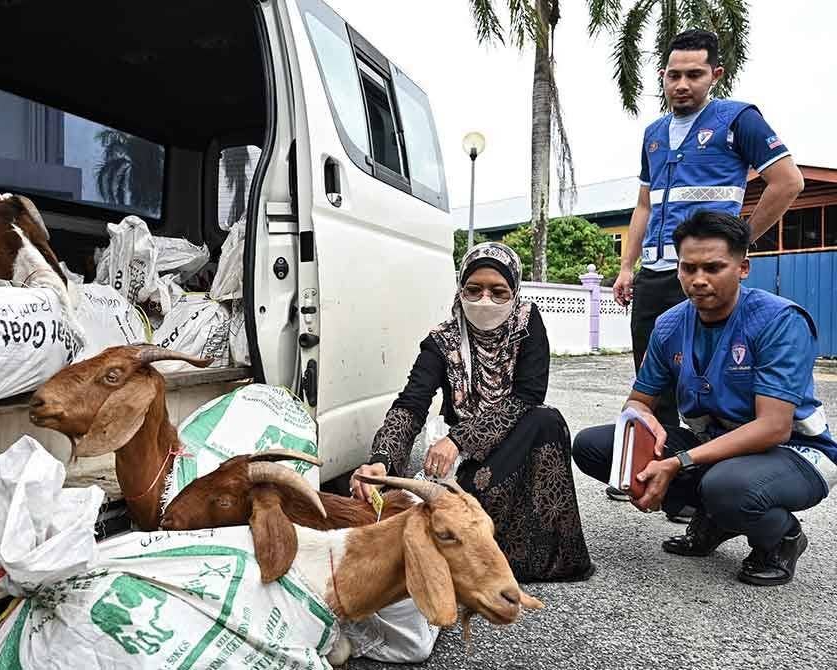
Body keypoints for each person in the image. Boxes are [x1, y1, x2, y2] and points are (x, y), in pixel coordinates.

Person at [573, 211, 835, 587]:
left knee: (727, 487)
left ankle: (781, 537)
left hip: (795, 453)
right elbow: (638, 401)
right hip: (715, 448)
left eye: (713, 267)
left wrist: (677, 462)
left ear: (743, 268)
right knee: (597, 447)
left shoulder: (779, 321)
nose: (698, 280)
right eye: (688, 268)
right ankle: (714, 518)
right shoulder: (669, 325)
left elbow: (773, 427)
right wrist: (639, 429)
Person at [608, 28, 804, 508]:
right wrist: (627, 266)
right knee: (654, 383)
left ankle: (708, 481)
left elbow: (788, 182)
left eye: (694, 74)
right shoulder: (653, 134)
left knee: (711, 384)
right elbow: (642, 205)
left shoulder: (739, 120)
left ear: (715, 75)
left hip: (705, 275)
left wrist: (738, 245)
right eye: (674, 75)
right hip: (656, 274)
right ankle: (661, 478)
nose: (682, 84)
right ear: (662, 77)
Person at [350, 242, 592, 582]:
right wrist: (382, 458)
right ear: (460, 289)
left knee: (547, 421)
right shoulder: (442, 341)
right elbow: (412, 403)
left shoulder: (527, 324)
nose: (484, 300)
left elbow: (528, 395)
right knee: (447, 510)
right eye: (474, 289)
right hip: (472, 464)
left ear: (514, 292)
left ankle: (543, 559)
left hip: (517, 442)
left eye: (498, 291)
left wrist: (459, 439)